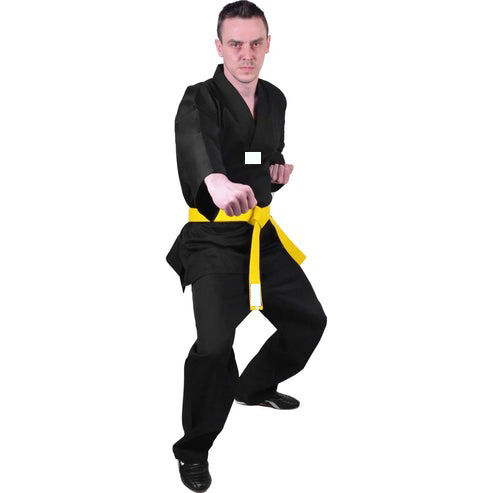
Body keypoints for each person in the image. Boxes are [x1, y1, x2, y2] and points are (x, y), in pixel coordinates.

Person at [166, 2, 327, 491]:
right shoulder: (199, 98)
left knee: (309, 321)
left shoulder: (275, 99)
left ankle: (253, 386)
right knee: (214, 346)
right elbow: (197, 144)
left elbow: (263, 156)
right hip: (213, 240)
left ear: (268, 44)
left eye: (256, 43)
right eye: (235, 44)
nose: (246, 54)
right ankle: (194, 448)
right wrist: (213, 180)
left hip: (261, 234)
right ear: (219, 47)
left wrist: (276, 175)